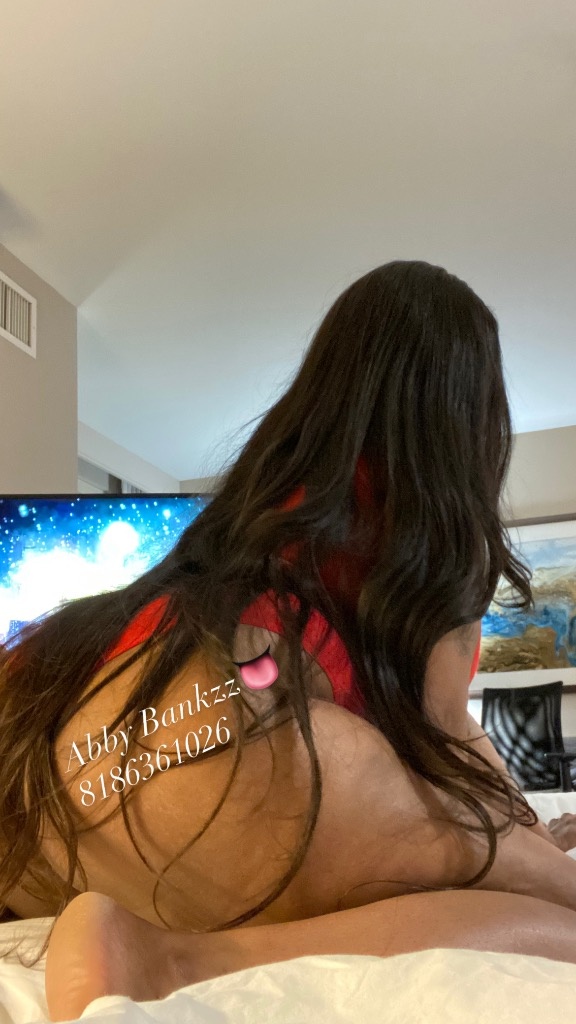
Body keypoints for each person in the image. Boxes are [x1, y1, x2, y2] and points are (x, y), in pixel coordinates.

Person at [3, 260, 576, 1022]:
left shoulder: (259, 502)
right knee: (552, 914)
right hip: (235, 741)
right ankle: (171, 961)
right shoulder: (435, 535)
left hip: (64, 753)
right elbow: (452, 738)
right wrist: (535, 850)